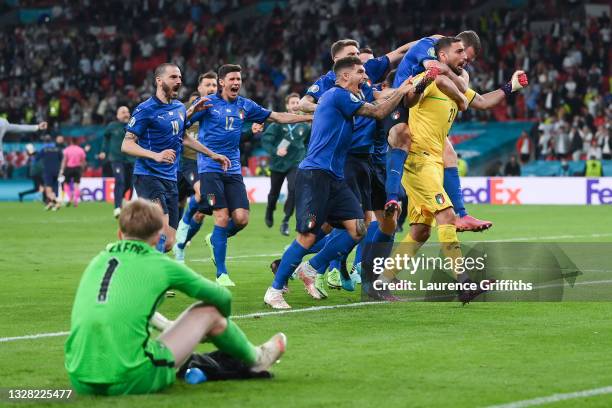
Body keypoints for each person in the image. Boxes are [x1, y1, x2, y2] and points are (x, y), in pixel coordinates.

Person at [64, 199, 287, 396]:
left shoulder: (98, 261)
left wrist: (169, 326)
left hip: (79, 378)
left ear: (120, 234)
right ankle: (258, 358)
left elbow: (118, 307)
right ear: (158, 238)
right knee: (210, 312)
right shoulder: (160, 264)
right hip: (132, 378)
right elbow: (222, 297)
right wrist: (215, 328)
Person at [263, 56, 431, 309]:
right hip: (316, 174)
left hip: (336, 177)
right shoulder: (337, 95)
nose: (365, 76)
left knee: (359, 228)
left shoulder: (349, 97)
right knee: (307, 235)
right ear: (344, 76)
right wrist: (404, 90)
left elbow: (379, 99)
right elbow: (378, 111)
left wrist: (408, 87)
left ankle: (311, 267)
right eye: (360, 72)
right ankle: (275, 289)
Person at [379, 37, 528, 303]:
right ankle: (464, 282)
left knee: (420, 231)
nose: (466, 56)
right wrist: (427, 80)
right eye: (459, 51)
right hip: (417, 159)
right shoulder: (426, 76)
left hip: (435, 161)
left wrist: (510, 87)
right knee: (446, 216)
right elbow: (410, 99)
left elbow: (482, 102)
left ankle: (383, 281)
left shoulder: (458, 83)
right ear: (443, 56)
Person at [189, 64, 312, 287]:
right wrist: (190, 112)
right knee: (222, 216)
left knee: (242, 219)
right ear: (221, 82)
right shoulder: (208, 104)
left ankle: (216, 239)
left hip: (233, 170)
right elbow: (183, 126)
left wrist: (307, 118)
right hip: (209, 168)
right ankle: (222, 274)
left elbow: (277, 117)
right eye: (232, 79)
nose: (237, 83)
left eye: (239, 79)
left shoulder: (246, 105)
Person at [386, 30, 494, 232]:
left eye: (468, 59)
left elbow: (482, 100)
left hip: (417, 106)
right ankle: (392, 196)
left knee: (449, 153)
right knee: (402, 135)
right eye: (462, 54)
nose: (464, 61)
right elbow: (437, 73)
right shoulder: (430, 48)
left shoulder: (440, 54)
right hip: (399, 104)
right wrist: (461, 94)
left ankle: (462, 214)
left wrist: (509, 87)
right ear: (453, 47)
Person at [121, 62, 231, 254]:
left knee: (169, 242)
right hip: (148, 176)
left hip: (170, 179)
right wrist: (155, 155)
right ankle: (152, 279)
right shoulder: (145, 109)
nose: (179, 81)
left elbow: (184, 137)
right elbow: (127, 144)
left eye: (180, 77)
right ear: (159, 80)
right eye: (173, 77)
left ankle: (129, 252)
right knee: (161, 234)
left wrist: (213, 154)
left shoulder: (180, 108)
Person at [173, 71, 219, 262]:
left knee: (202, 211)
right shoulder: (183, 110)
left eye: (214, 85)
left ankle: (181, 245)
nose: (211, 89)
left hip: (205, 164)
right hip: (186, 164)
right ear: (199, 89)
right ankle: (176, 230)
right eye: (207, 85)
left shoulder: (217, 110)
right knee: (178, 203)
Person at [261, 92, 311, 236]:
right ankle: (270, 209)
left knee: (294, 189)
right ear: (287, 106)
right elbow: (266, 140)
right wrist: (275, 150)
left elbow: (309, 143)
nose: (295, 105)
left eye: (297, 102)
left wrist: (306, 156)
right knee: (274, 193)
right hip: (278, 164)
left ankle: (286, 220)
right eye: (293, 103)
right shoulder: (279, 123)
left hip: (295, 163)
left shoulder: (305, 126)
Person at [100, 106, 135, 218]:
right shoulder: (112, 126)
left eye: (127, 112)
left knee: (131, 183)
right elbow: (105, 138)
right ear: (117, 115)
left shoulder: (133, 125)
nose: (126, 114)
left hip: (131, 158)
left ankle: (126, 202)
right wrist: (103, 151)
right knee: (119, 180)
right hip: (116, 158)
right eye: (123, 112)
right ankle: (117, 207)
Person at [59, 138, 87, 207]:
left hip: (69, 168)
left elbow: (64, 160)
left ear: (71, 142)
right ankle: (75, 200)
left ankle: (70, 196)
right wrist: (82, 169)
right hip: (77, 168)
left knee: (66, 184)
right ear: (77, 142)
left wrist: (62, 169)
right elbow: (83, 161)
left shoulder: (67, 149)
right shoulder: (80, 150)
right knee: (76, 185)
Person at [38, 135, 63, 211]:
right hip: (57, 171)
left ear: (45, 141)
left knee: (48, 190)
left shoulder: (43, 149)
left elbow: (36, 158)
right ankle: (51, 204)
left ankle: (57, 203)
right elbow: (62, 159)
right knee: (54, 189)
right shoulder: (58, 149)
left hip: (48, 171)